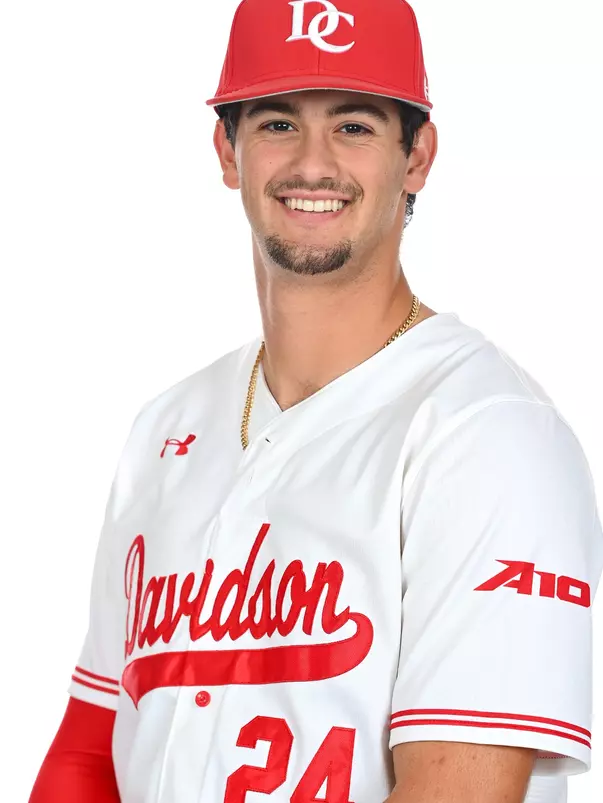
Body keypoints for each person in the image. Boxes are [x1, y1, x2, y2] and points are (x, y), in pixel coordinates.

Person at [29, 1, 603, 802]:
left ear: (416, 156)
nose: (312, 162)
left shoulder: (487, 433)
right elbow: (90, 752)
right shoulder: (166, 426)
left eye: (354, 125)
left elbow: (459, 790)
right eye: (277, 123)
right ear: (227, 151)